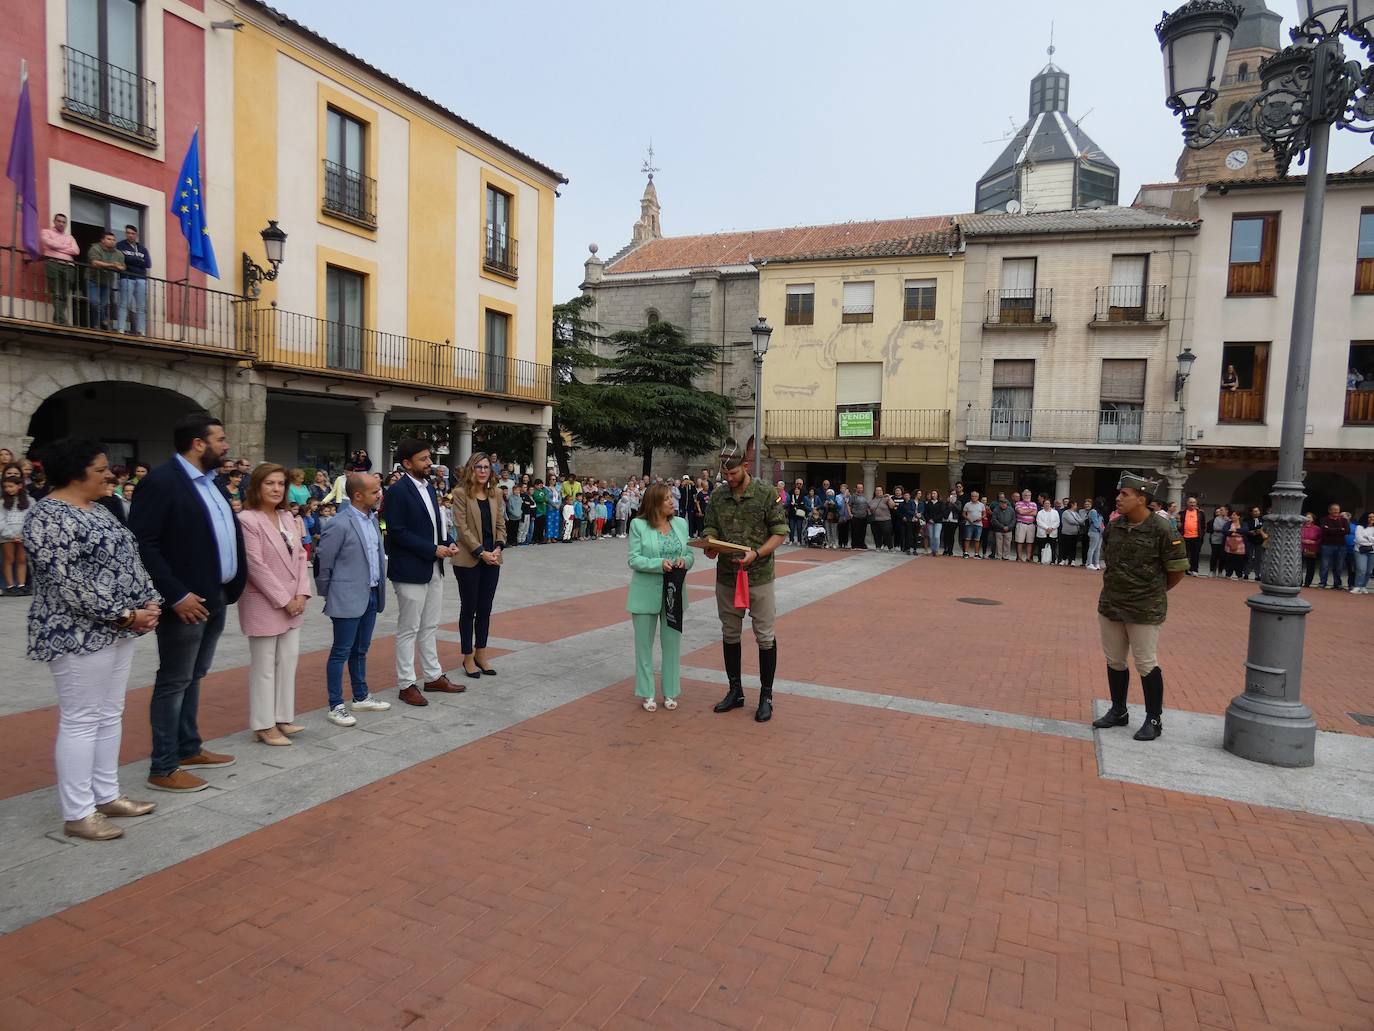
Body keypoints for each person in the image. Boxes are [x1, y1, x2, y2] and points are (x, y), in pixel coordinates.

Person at [25, 438, 161, 840]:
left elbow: (129, 560)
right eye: (101, 468)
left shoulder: (100, 510)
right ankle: (78, 811)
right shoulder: (48, 517)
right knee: (81, 719)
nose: (109, 474)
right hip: (76, 633)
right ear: (75, 471)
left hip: (117, 630)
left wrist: (150, 601)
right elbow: (70, 583)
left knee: (108, 713)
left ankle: (106, 795)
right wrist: (125, 615)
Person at [130, 413, 247, 793]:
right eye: (220, 438)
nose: (226, 445)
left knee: (195, 675)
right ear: (198, 443)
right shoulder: (162, 482)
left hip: (215, 594)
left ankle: (188, 747)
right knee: (174, 679)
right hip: (185, 599)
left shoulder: (211, 483)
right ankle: (163, 766)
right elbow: (144, 542)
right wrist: (174, 594)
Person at [1090, 472, 1189, 742]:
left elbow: (1177, 570)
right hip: (1111, 604)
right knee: (1115, 660)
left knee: (1146, 663)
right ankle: (1119, 710)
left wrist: (1152, 592)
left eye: (1125, 494)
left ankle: (1153, 719)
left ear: (1141, 499)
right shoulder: (1115, 526)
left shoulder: (1163, 529)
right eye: (1119, 493)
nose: (1118, 498)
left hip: (1145, 609)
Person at [703, 438, 788, 723]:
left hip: (759, 575)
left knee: (764, 635)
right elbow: (710, 526)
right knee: (730, 632)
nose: (729, 479)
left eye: (734, 474)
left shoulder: (765, 493)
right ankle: (735, 691)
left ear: (746, 466)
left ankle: (766, 695)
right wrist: (710, 544)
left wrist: (757, 553)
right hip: (727, 575)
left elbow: (780, 531)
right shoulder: (718, 496)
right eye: (725, 475)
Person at [237, 464, 312, 747]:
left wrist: (302, 594)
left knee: (287, 662)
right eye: (270, 483)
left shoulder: (287, 517)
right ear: (257, 486)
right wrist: (284, 600)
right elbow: (255, 566)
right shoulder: (248, 519)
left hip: (294, 601)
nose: (276, 489)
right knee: (265, 666)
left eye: (280, 484)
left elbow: (302, 558)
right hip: (265, 603)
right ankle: (263, 724)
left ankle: (282, 717)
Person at [315, 473, 392, 726]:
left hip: (371, 593)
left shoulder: (372, 520)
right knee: (341, 651)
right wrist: (329, 592)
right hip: (346, 595)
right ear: (358, 495)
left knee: (361, 650)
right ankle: (336, 704)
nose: (380, 495)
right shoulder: (339, 523)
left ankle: (360, 696)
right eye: (375, 492)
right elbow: (323, 562)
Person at [385, 438, 458, 705]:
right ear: (407, 463)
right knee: (409, 627)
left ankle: (433, 675)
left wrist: (448, 541)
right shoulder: (397, 491)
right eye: (424, 459)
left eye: (429, 458)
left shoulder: (429, 489)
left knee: (429, 625)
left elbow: (434, 524)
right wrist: (432, 549)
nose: (430, 463)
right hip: (410, 568)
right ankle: (406, 684)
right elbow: (397, 532)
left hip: (433, 566)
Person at [627, 482, 693, 712]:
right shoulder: (638, 525)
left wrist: (686, 561)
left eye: (671, 498)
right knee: (644, 646)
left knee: (672, 644)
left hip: (674, 593)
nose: (672, 501)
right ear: (655, 503)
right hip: (646, 593)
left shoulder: (681, 524)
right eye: (666, 499)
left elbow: (689, 552)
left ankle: (671, 691)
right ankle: (647, 692)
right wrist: (658, 564)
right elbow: (634, 559)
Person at [451, 452, 506, 681]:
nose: (483, 471)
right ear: (471, 470)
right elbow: (461, 529)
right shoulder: (460, 493)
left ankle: (481, 654)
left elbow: (501, 524)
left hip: (492, 558)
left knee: (485, 609)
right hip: (469, 559)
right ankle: (467, 656)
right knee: (469, 608)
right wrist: (481, 552)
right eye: (478, 467)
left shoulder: (496, 493)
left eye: (486, 467)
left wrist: (498, 548)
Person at [40, 213, 80, 325]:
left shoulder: (70, 237)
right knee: (56, 292)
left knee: (64, 294)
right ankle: (60, 320)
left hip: (69, 266)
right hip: (53, 264)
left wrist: (57, 247)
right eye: (59, 221)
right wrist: (67, 248)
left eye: (63, 222)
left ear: (66, 224)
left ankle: (59, 319)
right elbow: (48, 243)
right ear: (54, 221)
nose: (61, 224)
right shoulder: (46, 232)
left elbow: (76, 251)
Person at [85, 230, 125, 330]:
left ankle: (97, 324)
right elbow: (95, 263)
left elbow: (123, 267)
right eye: (109, 239)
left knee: (103, 305)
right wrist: (112, 265)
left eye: (114, 240)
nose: (112, 241)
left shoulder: (118, 253)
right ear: (102, 240)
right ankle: (101, 321)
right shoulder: (95, 248)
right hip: (92, 279)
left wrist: (119, 267)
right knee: (94, 302)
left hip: (106, 282)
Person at [115, 224, 150, 335]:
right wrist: (139, 260)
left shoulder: (142, 248)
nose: (130, 235)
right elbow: (122, 259)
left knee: (141, 306)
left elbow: (148, 264)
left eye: (133, 233)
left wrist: (131, 260)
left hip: (141, 279)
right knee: (124, 304)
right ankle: (120, 328)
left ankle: (141, 330)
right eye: (128, 233)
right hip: (126, 277)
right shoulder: (120, 245)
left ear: (136, 235)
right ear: (125, 234)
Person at [1, 469, 31, 595]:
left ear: (19, 486)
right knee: (9, 559)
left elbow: (30, 518)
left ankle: (21, 584)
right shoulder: (2, 502)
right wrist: (12, 535)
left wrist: (23, 534)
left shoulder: (30, 501)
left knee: (22, 560)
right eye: (5, 487)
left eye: (11, 486)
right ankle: (10, 585)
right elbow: (1, 520)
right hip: (7, 536)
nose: (8, 489)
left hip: (22, 535)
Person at [1318, 502, 1350, 590]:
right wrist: (1339, 529)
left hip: (1341, 546)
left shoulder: (1344, 520)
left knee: (1339, 566)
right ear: (1329, 510)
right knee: (1324, 565)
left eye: (1338, 510)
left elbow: (1347, 531)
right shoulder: (1324, 519)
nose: (1336, 511)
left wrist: (1331, 530)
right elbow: (1325, 531)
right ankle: (1322, 583)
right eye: (1334, 509)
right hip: (1327, 545)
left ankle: (1337, 584)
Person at [1223, 509, 1248, 579]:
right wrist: (1236, 534)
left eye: (1234, 515)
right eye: (1232, 515)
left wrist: (1236, 530)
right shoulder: (1228, 523)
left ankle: (1239, 575)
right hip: (1229, 545)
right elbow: (1224, 531)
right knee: (1229, 560)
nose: (1232, 516)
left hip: (1240, 547)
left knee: (1239, 561)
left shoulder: (1243, 523)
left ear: (1238, 516)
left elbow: (1245, 530)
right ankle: (1228, 574)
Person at [1353, 512, 1374, 595]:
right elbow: (1359, 540)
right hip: (1360, 551)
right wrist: (1371, 542)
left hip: (1372, 552)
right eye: (1370, 517)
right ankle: (1357, 586)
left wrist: (1367, 538)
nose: (1372, 519)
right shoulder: (1359, 527)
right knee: (1361, 569)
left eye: (1373, 517)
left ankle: (1363, 586)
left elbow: (1363, 539)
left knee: (1369, 571)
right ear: (1365, 518)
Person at [961, 491, 986, 559]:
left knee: (977, 539)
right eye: (972, 496)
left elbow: (984, 514)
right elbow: (963, 514)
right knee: (967, 538)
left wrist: (981, 518)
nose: (974, 497)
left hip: (978, 524)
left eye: (975, 496)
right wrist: (967, 518)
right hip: (969, 523)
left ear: (978, 497)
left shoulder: (981, 505)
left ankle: (976, 553)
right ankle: (966, 553)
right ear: (971, 496)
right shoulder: (967, 504)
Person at [1035, 498, 1060, 564]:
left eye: (1048, 503)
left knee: (1053, 547)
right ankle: (1040, 560)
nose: (1047, 505)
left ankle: (1052, 561)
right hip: (1043, 531)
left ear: (1050, 504)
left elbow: (1057, 522)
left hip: (1052, 532)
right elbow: (1038, 521)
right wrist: (1046, 528)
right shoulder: (1040, 512)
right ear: (1043, 504)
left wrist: (1051, 528)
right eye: (1045, 503)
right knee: (1041, 547)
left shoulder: (1055, 512)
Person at [1300, 511, 1321, 588]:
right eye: (1306, 517)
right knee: (1299, 566)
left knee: (1310, 567)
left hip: (1312, 548)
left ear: (1312, 519)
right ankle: (1299, 581)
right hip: (1301, 548)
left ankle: (1307, 583)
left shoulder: (1317, 528)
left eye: (1309, 517)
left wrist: (1314, 542)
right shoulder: (1300, 527)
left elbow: (1320, 538)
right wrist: (1302, 540)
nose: (1307, 519)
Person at [1085, 498, 1106, 571]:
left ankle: (1096, 563)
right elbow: (1096, 523)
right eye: (1102, 503)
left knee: (1098, 549)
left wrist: (1103, 529)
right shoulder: (1093, 511)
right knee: (1092, 548)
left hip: (1099, 532)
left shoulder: (1099, 512)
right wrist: (1101, 529)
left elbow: (1102, 522)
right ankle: (1089, 563)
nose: (1103, 505)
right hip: (1094, 532)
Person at [870, 486, 894, 551]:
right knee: (876, 534)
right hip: (875, 520)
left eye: (880, 490)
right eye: (877, 490)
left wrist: (889, 498)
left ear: (882, 491)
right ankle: (878, 546)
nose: (878, 492)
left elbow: (892, 506)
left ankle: (890, 547)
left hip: (885, 520)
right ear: (875, 492)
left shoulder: (885, 498)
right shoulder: (872, 500)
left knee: (887, 533)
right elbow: (870, 509)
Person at [847, 485, 870, 550]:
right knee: (855, 531)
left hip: (864, 517)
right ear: (856, 489)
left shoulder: (864, 496)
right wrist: (850, 514)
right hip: (856, 516)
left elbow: (867, 505)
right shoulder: (853, 496)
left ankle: (861, 544)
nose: (860, 489)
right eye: (859, 488)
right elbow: (849, 505)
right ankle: (854, 545)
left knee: (862, 532)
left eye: (861, 488)